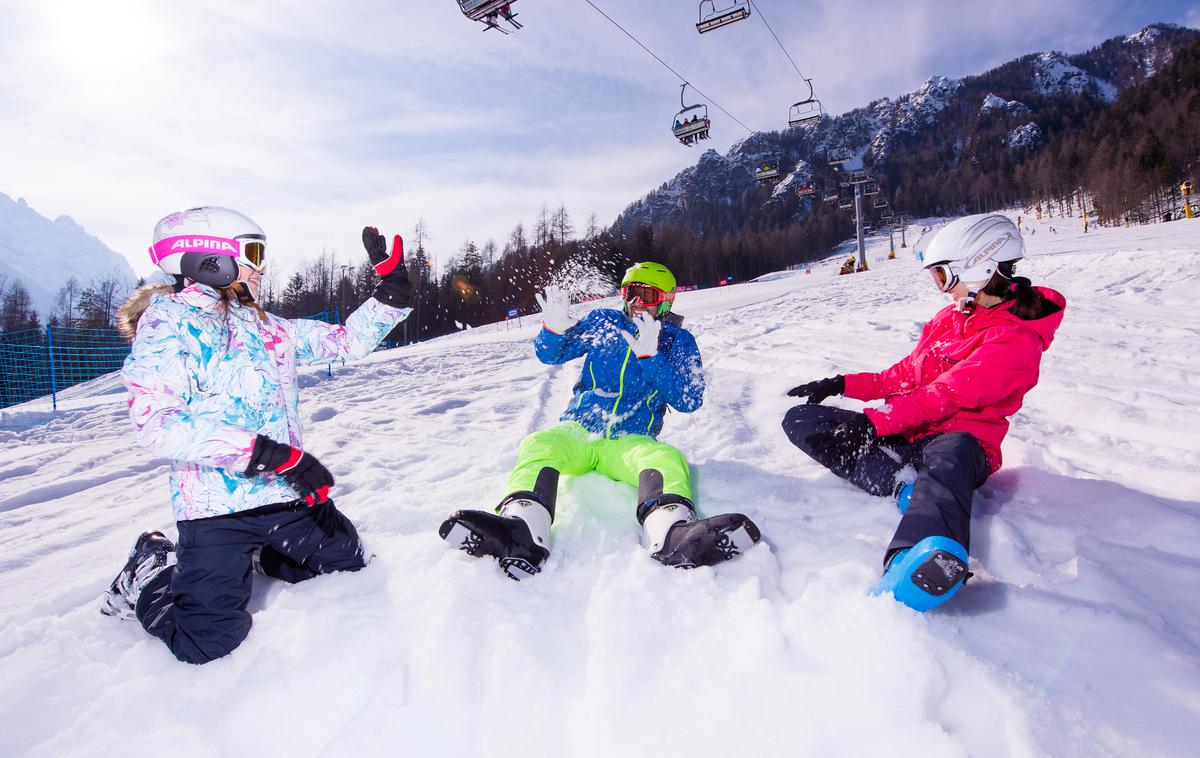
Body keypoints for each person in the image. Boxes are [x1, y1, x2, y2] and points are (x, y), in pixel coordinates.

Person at [101, 207, 413, 664]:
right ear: (207, 260)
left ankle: (262, 555)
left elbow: (344, 341)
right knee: (206, 643)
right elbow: (158, 424)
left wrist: (391, 293)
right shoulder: (168, 323)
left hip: (284, 496)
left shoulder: (266, 325)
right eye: (252, 253)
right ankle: (149, 570)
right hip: (215, 508)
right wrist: (269, 455)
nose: (261, 266)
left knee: (349, 565)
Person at [781, 214, 1065, 611]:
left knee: (948, 458)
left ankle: (916, 557)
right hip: (911, 434)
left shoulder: (1015, 340)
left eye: (943, 276)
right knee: (801, 421)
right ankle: (905, 487)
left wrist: (874, 423)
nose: (942, 290)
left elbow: (944, 395)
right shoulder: (952, 320)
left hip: (963, 445)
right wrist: (842, 384)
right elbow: (903, 375)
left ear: (979, 266)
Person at [439, 262, 761, 580]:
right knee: (541, 444)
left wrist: (652, 358)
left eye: (646, 294)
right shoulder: (604, 322)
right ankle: (522, 530)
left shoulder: (678, 341)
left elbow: (689, 399)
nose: (635, 303)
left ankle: (672, 536)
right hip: (580, 429)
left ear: (666, 299)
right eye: (630, 293)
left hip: (629, 438)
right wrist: (552, 331)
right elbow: (552, 354)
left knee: (665, 458)